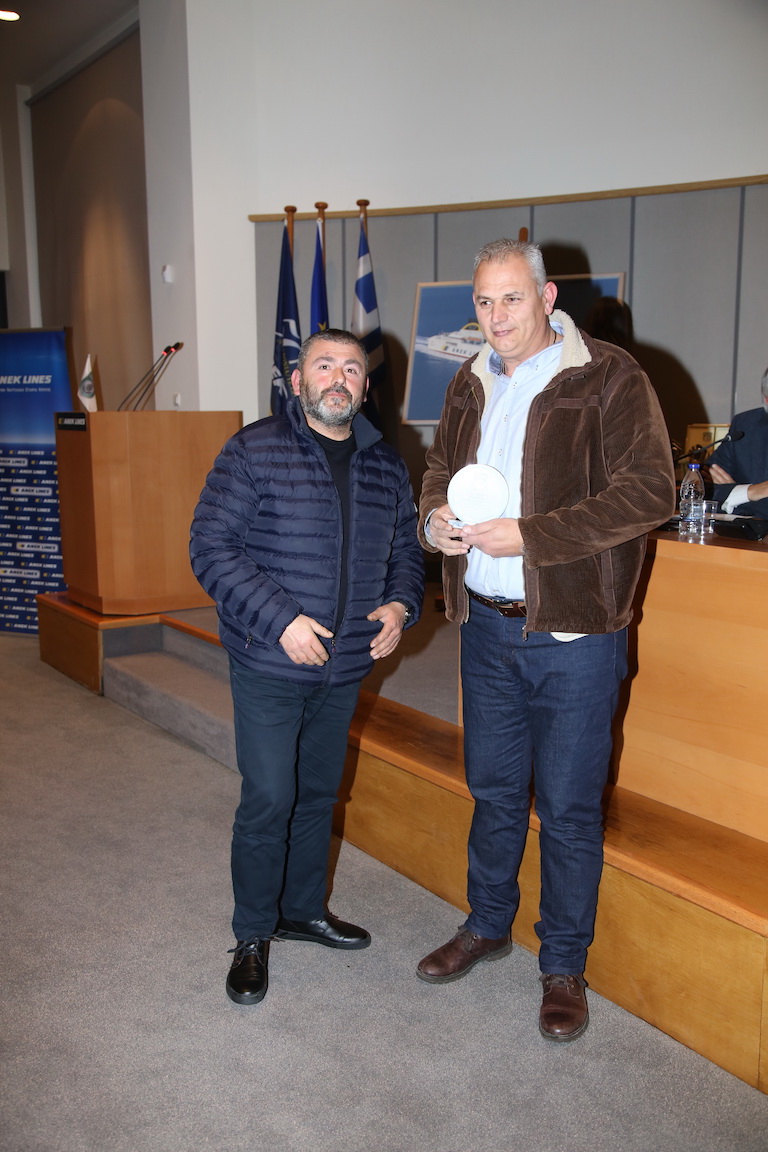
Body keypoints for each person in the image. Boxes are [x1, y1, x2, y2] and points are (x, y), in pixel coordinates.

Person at [417, 239, 675, 1041]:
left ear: (547, 296)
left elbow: (650, 491)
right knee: (493, 791)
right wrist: (434, 520)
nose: (496, 316)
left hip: (575, 633)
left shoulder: (609, 376)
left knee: (566, 807)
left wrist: (531, 535)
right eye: (484, 302)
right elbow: (438, 470)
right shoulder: (468, 380)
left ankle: (562, 964)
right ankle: (488, 923)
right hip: (486, 629)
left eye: (512, 298)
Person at [190, 328, 424, 1006]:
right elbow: (210, 547)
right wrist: (280, 620)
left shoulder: (386, 465)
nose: (338, 378)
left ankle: (301, 911)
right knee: (269, 797)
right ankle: (252, 933)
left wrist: (401, 605)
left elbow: (406, 554)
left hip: (344, 666)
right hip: (269, 658)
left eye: (351, 368)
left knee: (319, 795)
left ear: (365, 387)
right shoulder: (255, 449)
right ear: (298, 381)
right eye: (324, 365)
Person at [706, 366, 768, 519]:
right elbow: (703, 485)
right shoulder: (746, 425)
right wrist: (750, 492)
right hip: (741, 532)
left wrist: (737, 494)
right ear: (766, 400)